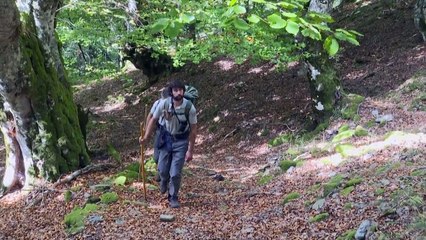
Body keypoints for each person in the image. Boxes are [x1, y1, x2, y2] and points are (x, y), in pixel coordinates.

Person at [140, 80, 197, 208]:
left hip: (181, 141)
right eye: (176, 90)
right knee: (162, 169)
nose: (178, 93)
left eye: (181, 90)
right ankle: (164, 180)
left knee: (176, 172)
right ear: (171, 92)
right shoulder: (164, 104)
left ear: (183, 91)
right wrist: (146, 137)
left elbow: (193, 130)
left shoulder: (189, 107)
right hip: (165, 139)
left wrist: (190, 150)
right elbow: (153, 119)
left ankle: (173, 197)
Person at [146, 88, 169, 181]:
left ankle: (163, 174)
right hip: (160, 131)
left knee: (165, 154)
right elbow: (151, 116)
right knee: (156, 157)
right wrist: (147, 130)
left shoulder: (174, 104)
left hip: (171, 133)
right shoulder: (157, 103)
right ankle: (162, 170)